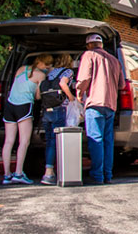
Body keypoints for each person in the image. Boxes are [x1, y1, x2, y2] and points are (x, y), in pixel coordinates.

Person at [77, 33, 125, 184]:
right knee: (107, 141)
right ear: (102, 45)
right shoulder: (115, 60)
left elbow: (84, 79)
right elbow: (122, 85)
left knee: (95, 139)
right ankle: (107, 175)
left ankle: (97, 176)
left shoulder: (89, 55)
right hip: (110, 105)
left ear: (89, 45)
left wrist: (79, 92)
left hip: (95, 103)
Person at [1, 54, 52, 185]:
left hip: (10, 105)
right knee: (23, 141)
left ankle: (7, 175)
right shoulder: (41, 75)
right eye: (48, 65)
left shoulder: (21, 69)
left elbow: (15, 85)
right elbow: (38, 97)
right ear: (42, 64)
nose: (48, 67)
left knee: (8, 141)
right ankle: (18, 173)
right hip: (24, 107)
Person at [39, 53, 77, 185]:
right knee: (58, 141)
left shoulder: (50, 72)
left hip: (46, 109)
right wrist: (72, 98)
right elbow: (63, 83)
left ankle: (48, 171)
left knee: (49, 141)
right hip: (59, 108)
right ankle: (52, 174)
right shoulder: (67, 72)